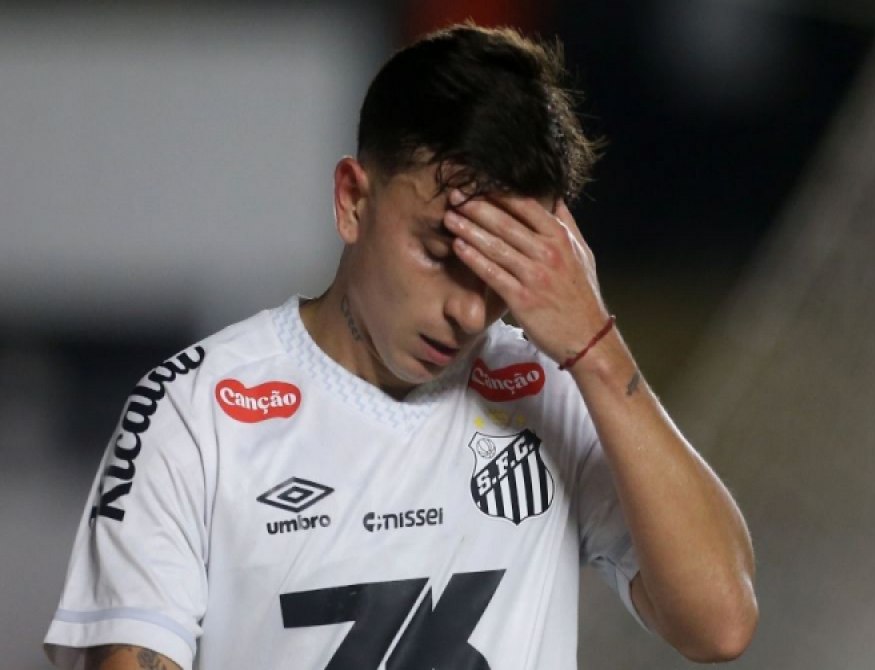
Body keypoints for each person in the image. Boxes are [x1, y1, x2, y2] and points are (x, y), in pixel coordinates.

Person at [44, 23, 757, 670]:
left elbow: (720, 625)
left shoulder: (553, 391)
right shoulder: (197, 411)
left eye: (499, 270)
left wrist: (597, 350)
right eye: (441, 252)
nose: (468, 310)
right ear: (353, 201)